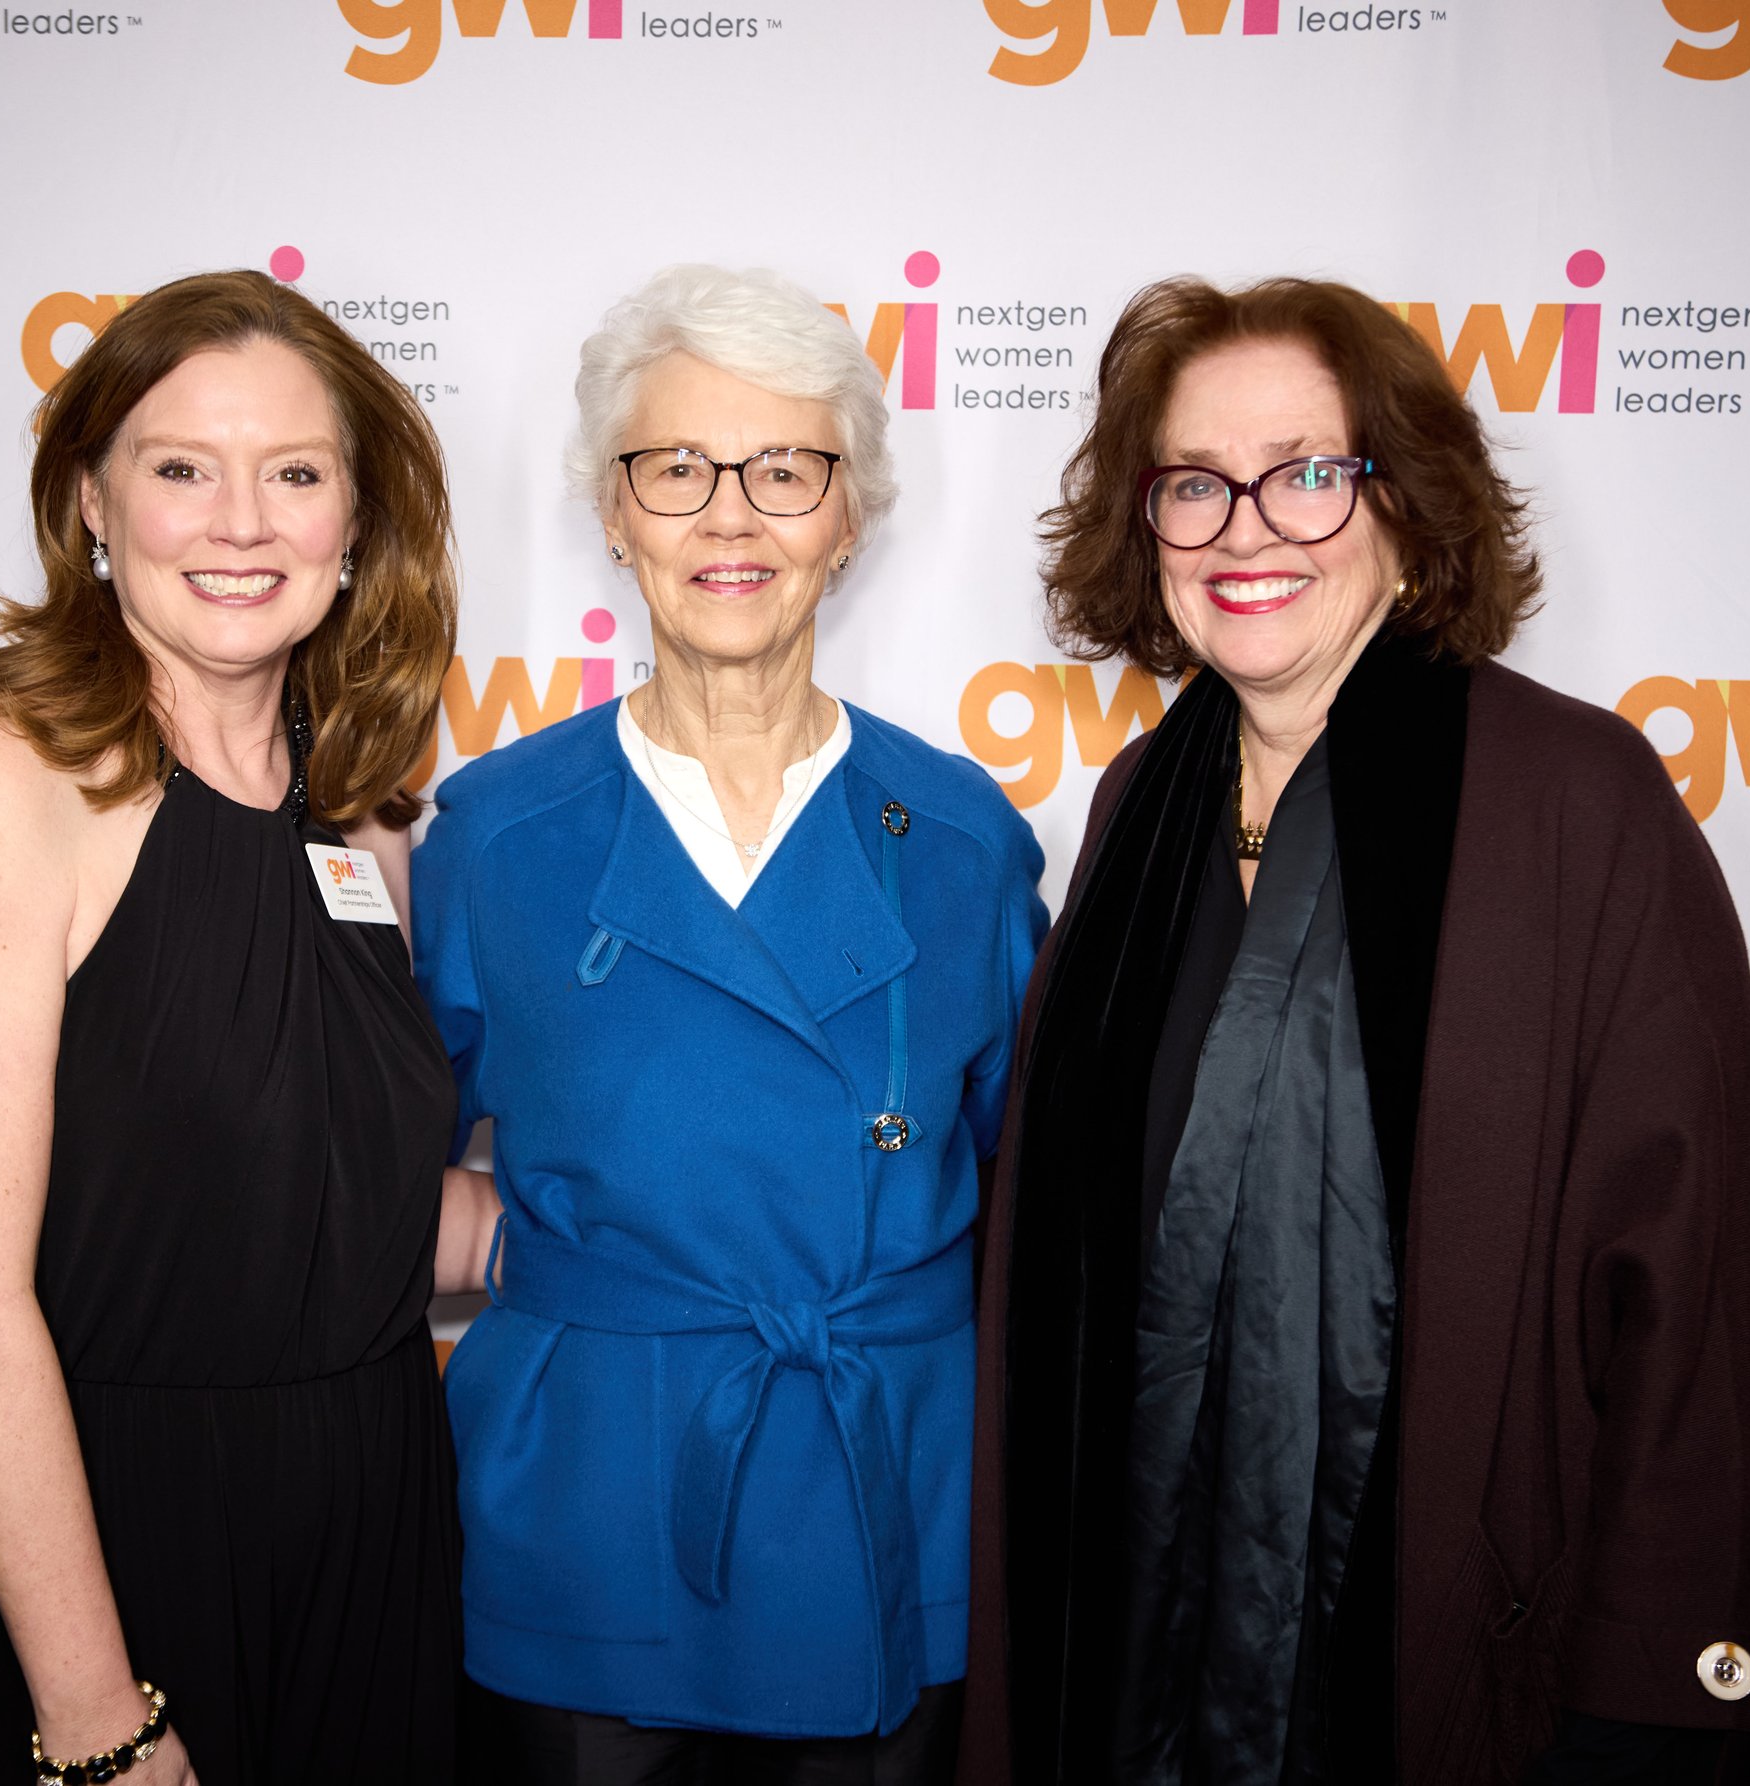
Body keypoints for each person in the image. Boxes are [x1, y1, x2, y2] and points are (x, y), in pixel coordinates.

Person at [958, 276, 1750, 1785]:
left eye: (1306, 475)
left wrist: (1650, 1695)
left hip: (1470, 1677)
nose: (1246, 531)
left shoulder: (1574, 802)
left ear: (1405, 503)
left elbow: (1698, 1301)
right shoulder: (1137, 809)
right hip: (1135, 1652)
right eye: (1194, 486)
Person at [415, 264, 1048, 1782]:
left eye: (784, 470)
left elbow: (1024, 1181)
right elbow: (365, 1158)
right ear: (613, 510)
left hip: (881, 1490)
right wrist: (516, 1247)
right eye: (678, 468)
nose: (730, 517)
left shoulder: (964, 840)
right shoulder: (496, 836)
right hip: (587, 1494)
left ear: (850, 515)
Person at [0, 268, 462, 1784]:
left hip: (378, 1539)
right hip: (108, 1553)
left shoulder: (368, 808)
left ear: (356, 523)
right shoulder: (9, 784)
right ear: (91, 503)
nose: (242, 524)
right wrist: (99, 1719)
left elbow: (333, 1212)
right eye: (183, 468)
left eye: (296, 475)